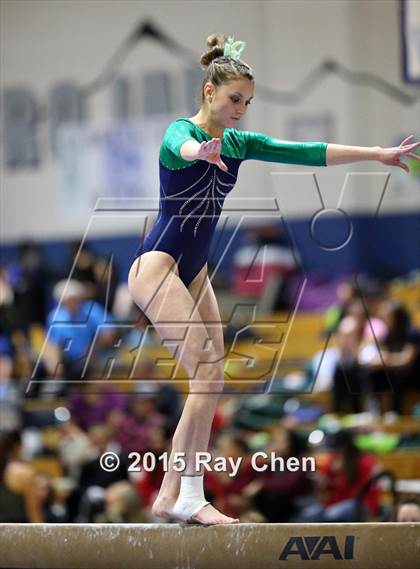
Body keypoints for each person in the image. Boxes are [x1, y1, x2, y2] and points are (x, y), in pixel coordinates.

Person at [127, 33, 420, 526]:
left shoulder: (241, 143)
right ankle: (189, 497)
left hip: (193, 272)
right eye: (233, 98)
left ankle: (171, 494)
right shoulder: (181, 132)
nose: (241, 108)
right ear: (208, 92)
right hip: (157, 263)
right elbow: (180, 143)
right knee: (207, 376)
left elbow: (307, 152)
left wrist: (375, 153)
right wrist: (200, 152)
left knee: (211, 380)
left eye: (247, 101)